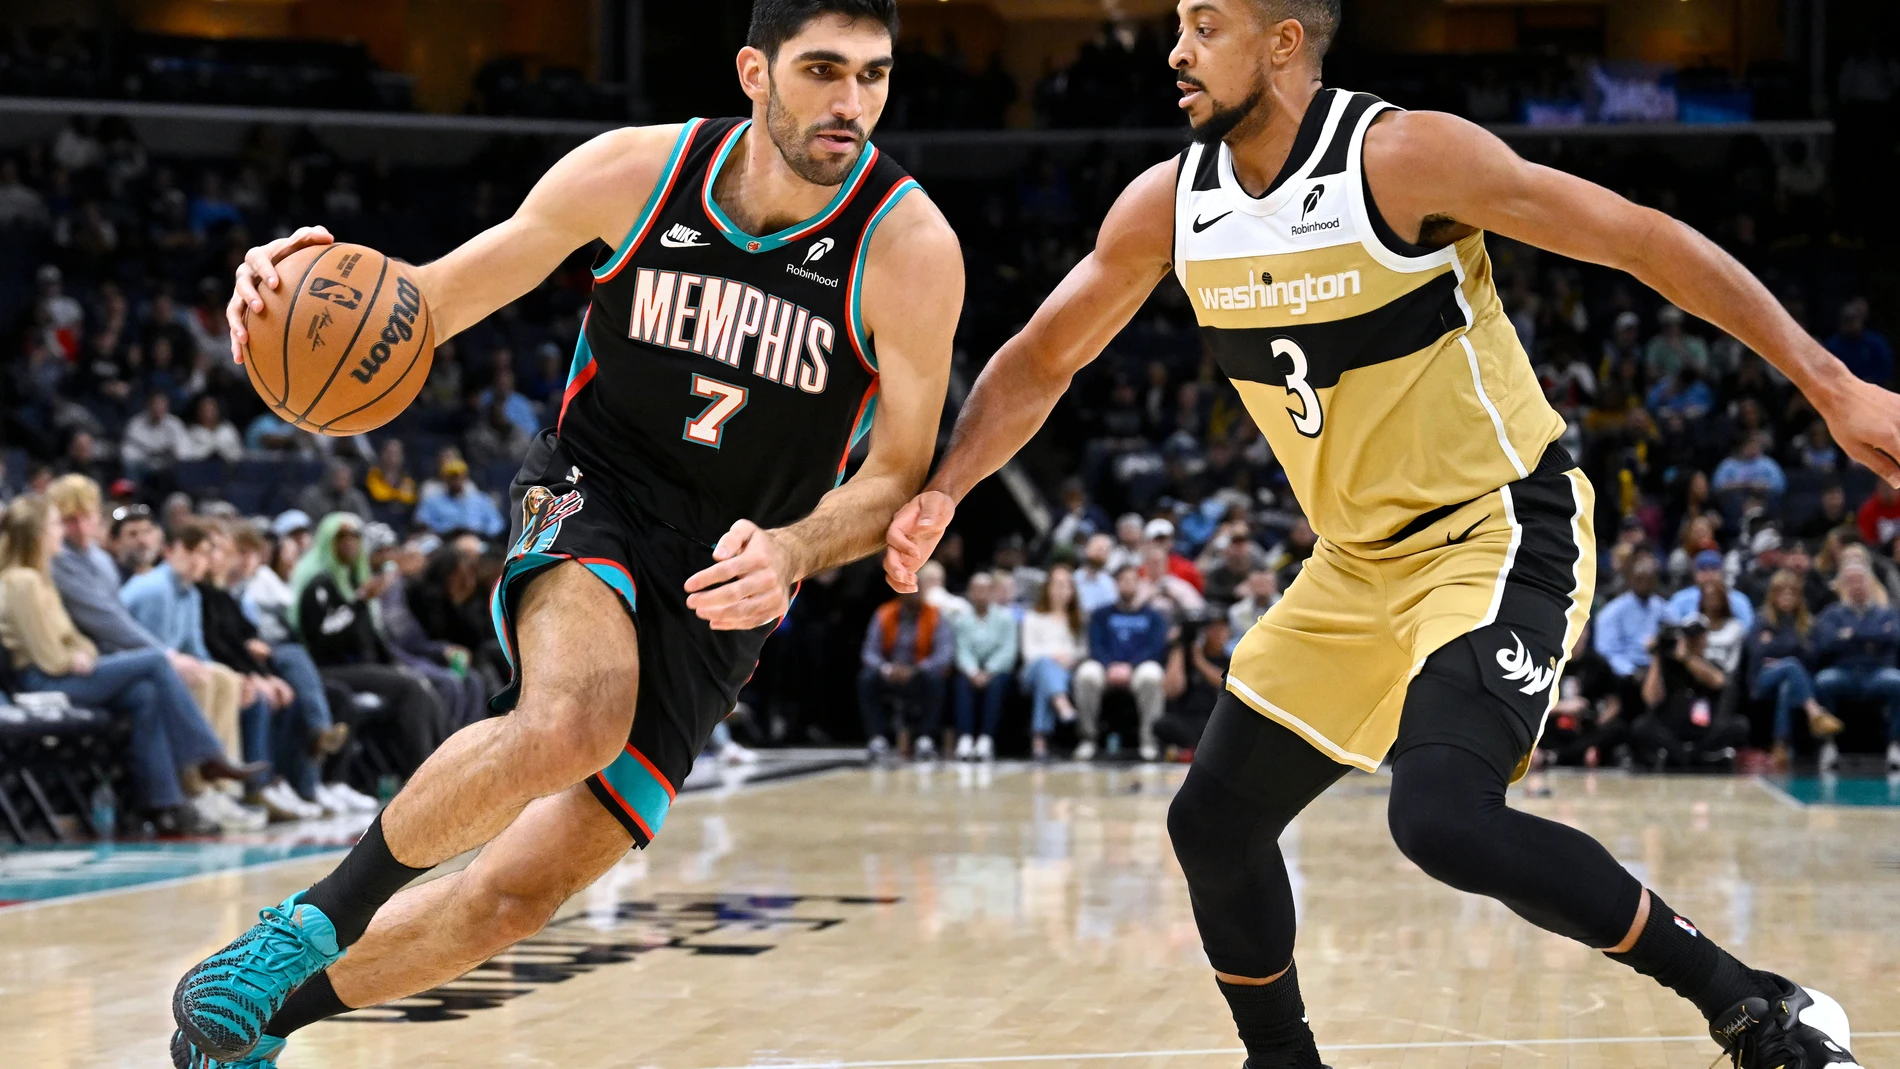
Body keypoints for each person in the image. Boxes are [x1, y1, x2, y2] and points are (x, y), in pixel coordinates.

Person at [882, 1, 1893, 1062]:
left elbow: (1638, 239)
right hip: (1354, 563)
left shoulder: (1403, 159)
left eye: (1205, 26)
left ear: (1282, 42)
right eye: (1179, 25)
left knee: (1443, 819)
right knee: (1212, 826)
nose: (1175, 51)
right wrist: (946, 488)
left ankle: (1754, 1006)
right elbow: (1042, 358)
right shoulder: (1169, 206)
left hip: (1495, 529)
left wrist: (1830, 386)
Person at [174, 4, 962, 1065]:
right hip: (597, 487)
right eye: (823, 70)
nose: (850, 103)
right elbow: (428, 302)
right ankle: (306, 924)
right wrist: (289, 288)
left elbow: (896, 472)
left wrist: (795, 550)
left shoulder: (908, 247)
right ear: (753, 72)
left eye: (873, 75)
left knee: (517, 894)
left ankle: (251, 1026)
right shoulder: (636, 173)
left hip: (733, 567)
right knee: (573, 717)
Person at [0, 495, 260, 835]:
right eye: (54, 525)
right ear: (36, 533)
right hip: (41, 683)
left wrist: (80, 653)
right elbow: (47, 654)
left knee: (145, 695)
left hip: (64, 674)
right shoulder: (22, 581)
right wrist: (70, 657)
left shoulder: (41, 577)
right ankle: (206, 756)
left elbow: (76, 639)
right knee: (156, 660)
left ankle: (165, 805)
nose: (60, 531)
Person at [289, 512, 451, 780]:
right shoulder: (318, 583)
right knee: (409, 689)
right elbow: (322, 638)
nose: (350, 542)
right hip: (327, 668)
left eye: (355, 536)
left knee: (420, 685)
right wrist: (359, 602)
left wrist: (393, 664)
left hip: (359, 667)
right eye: (342, 536)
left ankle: (444, 766)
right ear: (327, 541)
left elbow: (370, 637)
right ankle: (422, 777)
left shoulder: (353, 580)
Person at [1811, 556, 1900, 773]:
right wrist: (1872, 639)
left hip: (1877, 672)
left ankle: (1895, 745)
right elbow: (1825, 643)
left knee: (1897, 682)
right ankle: (1828, 745)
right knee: (1822, 682)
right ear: (1843, 585)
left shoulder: (1886, 612)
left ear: (1869, 583)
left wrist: (1850, 636)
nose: (1856, 585)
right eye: (1851, 580)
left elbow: (1893, 637)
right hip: (1844, 672)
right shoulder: (1832, 614)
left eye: (1860, 580)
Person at [1071, 565, 1168, 761]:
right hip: (1106, 667)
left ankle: (1149, 741)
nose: (1128, 584)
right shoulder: (1101, 614)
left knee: (1152, 676)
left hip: (1138, 668)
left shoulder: (1154, 616)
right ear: (1115, 584)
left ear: (1139, 584)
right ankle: (1088, 739)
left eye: (1132, 580)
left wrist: (1130, 667)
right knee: (1086, 674)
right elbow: (1095, 645)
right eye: (1123, 580)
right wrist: (1109, 665)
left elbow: (1155, 648)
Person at [1747, 569, 1842, 771]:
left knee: (1787, 684)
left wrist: (1777, 647)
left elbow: (1813, 655)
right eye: (1782, 592)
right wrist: (1793, 647)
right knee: (1791, 664)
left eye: (1792, 593)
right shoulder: (1761, 619)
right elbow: (1757, 652)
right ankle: (1815, 713)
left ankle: (1780, 746)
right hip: (1762, 679)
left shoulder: (1808, 622)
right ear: (1773, 595)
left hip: (1797, 679)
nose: (1787, 597)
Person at [1633, 617, 1748, 769]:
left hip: (1705, 731)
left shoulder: (1711, 664)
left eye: (1699, 637)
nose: (1695, 641)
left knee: (1740, 725)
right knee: (1641, 726)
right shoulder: (1667, 666)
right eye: (1691, 637)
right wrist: (1656, 656)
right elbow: (1650, 698)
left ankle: (1687, 756)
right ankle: (1687, 756)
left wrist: (1687, 658)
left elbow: (1718, 681)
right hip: (1672, 730)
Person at [859, 588, 953, 760]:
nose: (913, 596)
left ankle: (926, 738)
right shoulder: (884, 613)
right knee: (867, 679)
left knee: (936, 680)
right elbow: (869, 652)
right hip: (891, 672)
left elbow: (944, 654)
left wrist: (916, 669)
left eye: (917, 592)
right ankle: (878, 738)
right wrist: (886, 668)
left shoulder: (935, 615)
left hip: (919, 673)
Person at [1019, 563, 1084, 760]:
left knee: (1046, 682)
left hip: (1066, 671)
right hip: (1033, 670)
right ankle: (1062, 703)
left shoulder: (1077, 619)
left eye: (1066, 585)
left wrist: (1069, 658)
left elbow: (1083, 650)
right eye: (1057, 584)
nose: (1062, 590)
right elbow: (1029, 652)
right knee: (1045, 666)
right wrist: (1054, 655)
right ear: (1048, 588)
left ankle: (1039, 740)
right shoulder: (1033, 617)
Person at [950, 571, 1017, 760]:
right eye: (976, 590)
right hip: (971, 671)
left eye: (985, 590)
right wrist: (973, 672)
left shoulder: (1005, 618)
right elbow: (962, 650)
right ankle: (965, 738)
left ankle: (986, 739)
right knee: (962, 683)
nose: (980, 594)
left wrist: (988, 671)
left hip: (998, 671)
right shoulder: (961, 620)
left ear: (992, 592)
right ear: (969, 593)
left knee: (995, 684)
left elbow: (1007, 651)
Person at [412, 453, 504, 538]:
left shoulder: (481, 499)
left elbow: (497, 524)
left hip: (475, 538)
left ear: (465, 477)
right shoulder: (433, 501)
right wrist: (441, 529)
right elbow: (421, 521)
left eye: (459, 476)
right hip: (443, 539)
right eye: (451, 477)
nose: (456, 480)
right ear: (445, 478)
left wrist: (482, 532)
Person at [296, 458, 374, 523]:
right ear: (329, 476)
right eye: (339, 477)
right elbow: (308, 523)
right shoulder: (312, 496)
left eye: (346, 478)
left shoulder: (355, 497)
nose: (343, 482)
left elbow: (365, 521)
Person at [1073, 531, 1119, 613]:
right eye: (1097, 548)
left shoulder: (1110, 584)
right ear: (1086, 548)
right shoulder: (1072, 579)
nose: (1099, 553)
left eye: (1104, 550)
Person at [364, 439, 417, 508]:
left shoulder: (407, 480)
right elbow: (379, 494)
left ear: (402, 457)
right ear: (382, 454)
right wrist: (398, 494)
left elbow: (409, 499)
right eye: (389, 452)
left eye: (396, 453)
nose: (392, 457)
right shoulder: (372, 474)